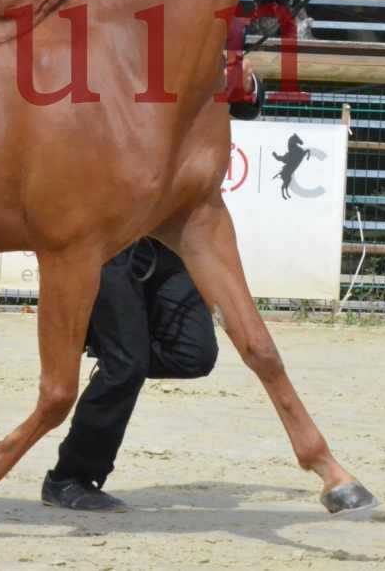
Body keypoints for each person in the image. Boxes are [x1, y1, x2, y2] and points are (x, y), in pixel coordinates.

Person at [42, 62, 265, 513]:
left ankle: (117, 358)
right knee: (128, 365)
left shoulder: (193, 49)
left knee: (195, 355)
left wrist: (241, 81)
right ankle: (70, 477)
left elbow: (248, 105)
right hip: (110, 240)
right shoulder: (112, 61)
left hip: (174, 238)